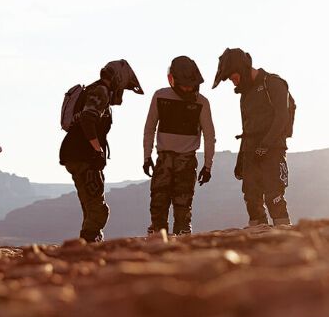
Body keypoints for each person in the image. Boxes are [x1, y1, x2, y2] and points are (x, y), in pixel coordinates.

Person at [59, 59, 142, 242]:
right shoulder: (101, 92)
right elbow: (88, 120)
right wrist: (97, 151)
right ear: (118, 79)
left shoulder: (93, 90)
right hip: (83, 155)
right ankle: (89, 244)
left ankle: (87, 245)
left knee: (89, 206)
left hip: (74, 154)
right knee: (97, 210)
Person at [213, 47, 294, 229]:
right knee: (251, 198)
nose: (234, 83)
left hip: (273, 150)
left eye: (234, 78)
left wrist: (266, 145)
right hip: (251, 151)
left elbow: (283, 116)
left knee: (274, 196)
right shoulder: (245, 94)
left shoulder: (272, 83)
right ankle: (259, 239)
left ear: (241, 69)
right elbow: (246, 128)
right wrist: (241, 158)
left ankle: (285, 236)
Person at [143, 55, 216, 236]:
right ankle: (158, 235)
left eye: (190, 85)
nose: (187, 89)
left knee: (183, 204)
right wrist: (146, 156)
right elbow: (149, 128)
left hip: (186, 159)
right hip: (164, 158)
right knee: (158, 202)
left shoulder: (201, 102)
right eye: (184, 84)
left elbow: (210, 136)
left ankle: (182, 235)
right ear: (173, 80)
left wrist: (208, 166)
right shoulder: (160, 96)